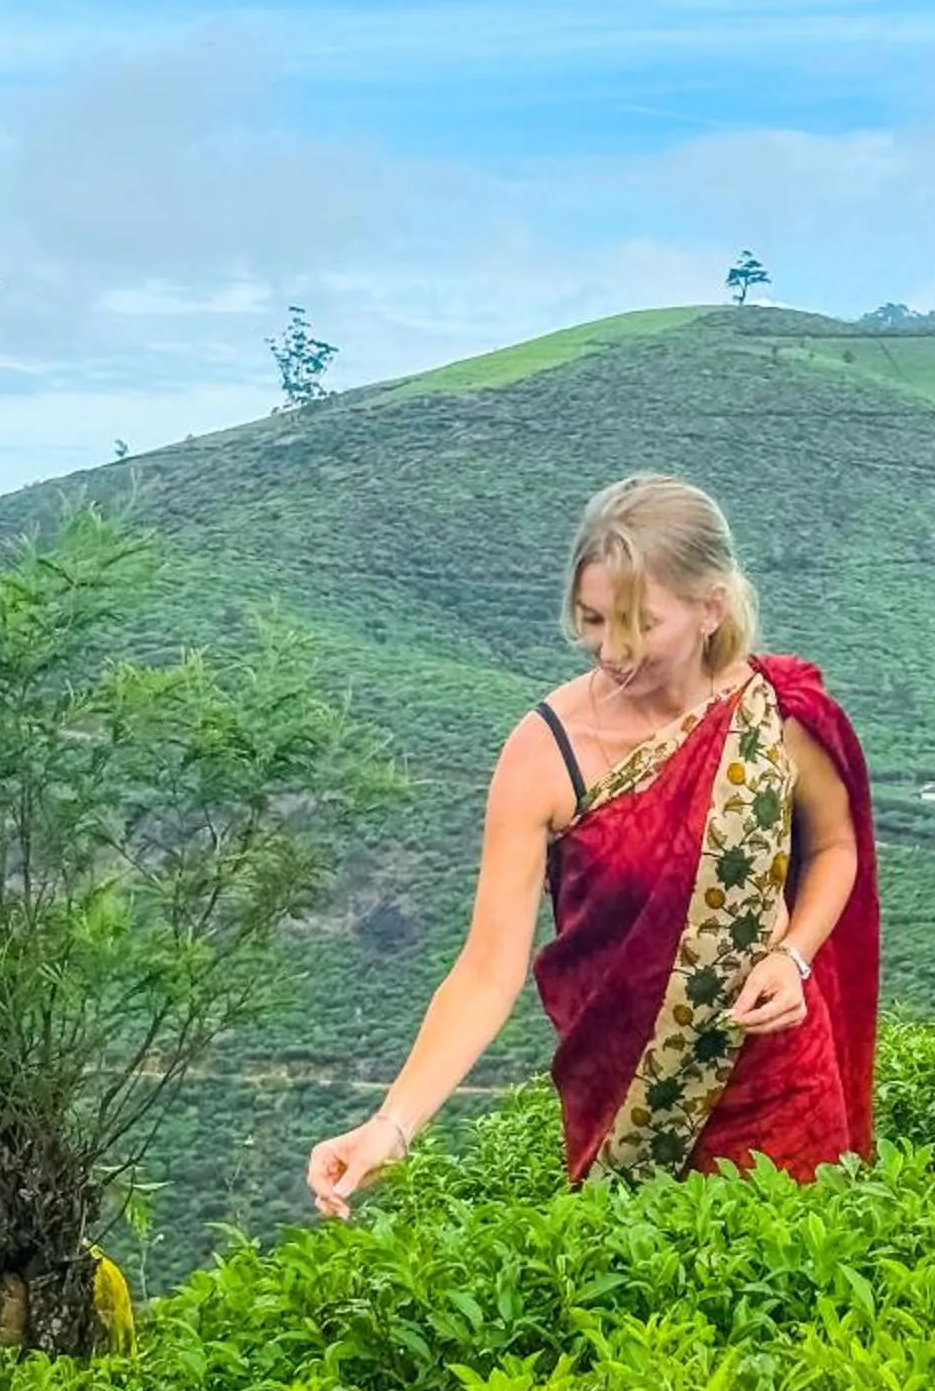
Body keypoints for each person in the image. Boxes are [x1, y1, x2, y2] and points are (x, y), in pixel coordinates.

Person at [306, 472, 879, 1218]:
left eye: (640, 624)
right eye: (593, 620)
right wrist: (392, 1124)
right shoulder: (545, 752)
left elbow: (835, 849)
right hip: (624, 1101)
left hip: (778, 1083)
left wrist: (792, 955)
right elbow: (488, 966)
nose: (612, 650)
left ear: (711, 607)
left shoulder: (776, 717)